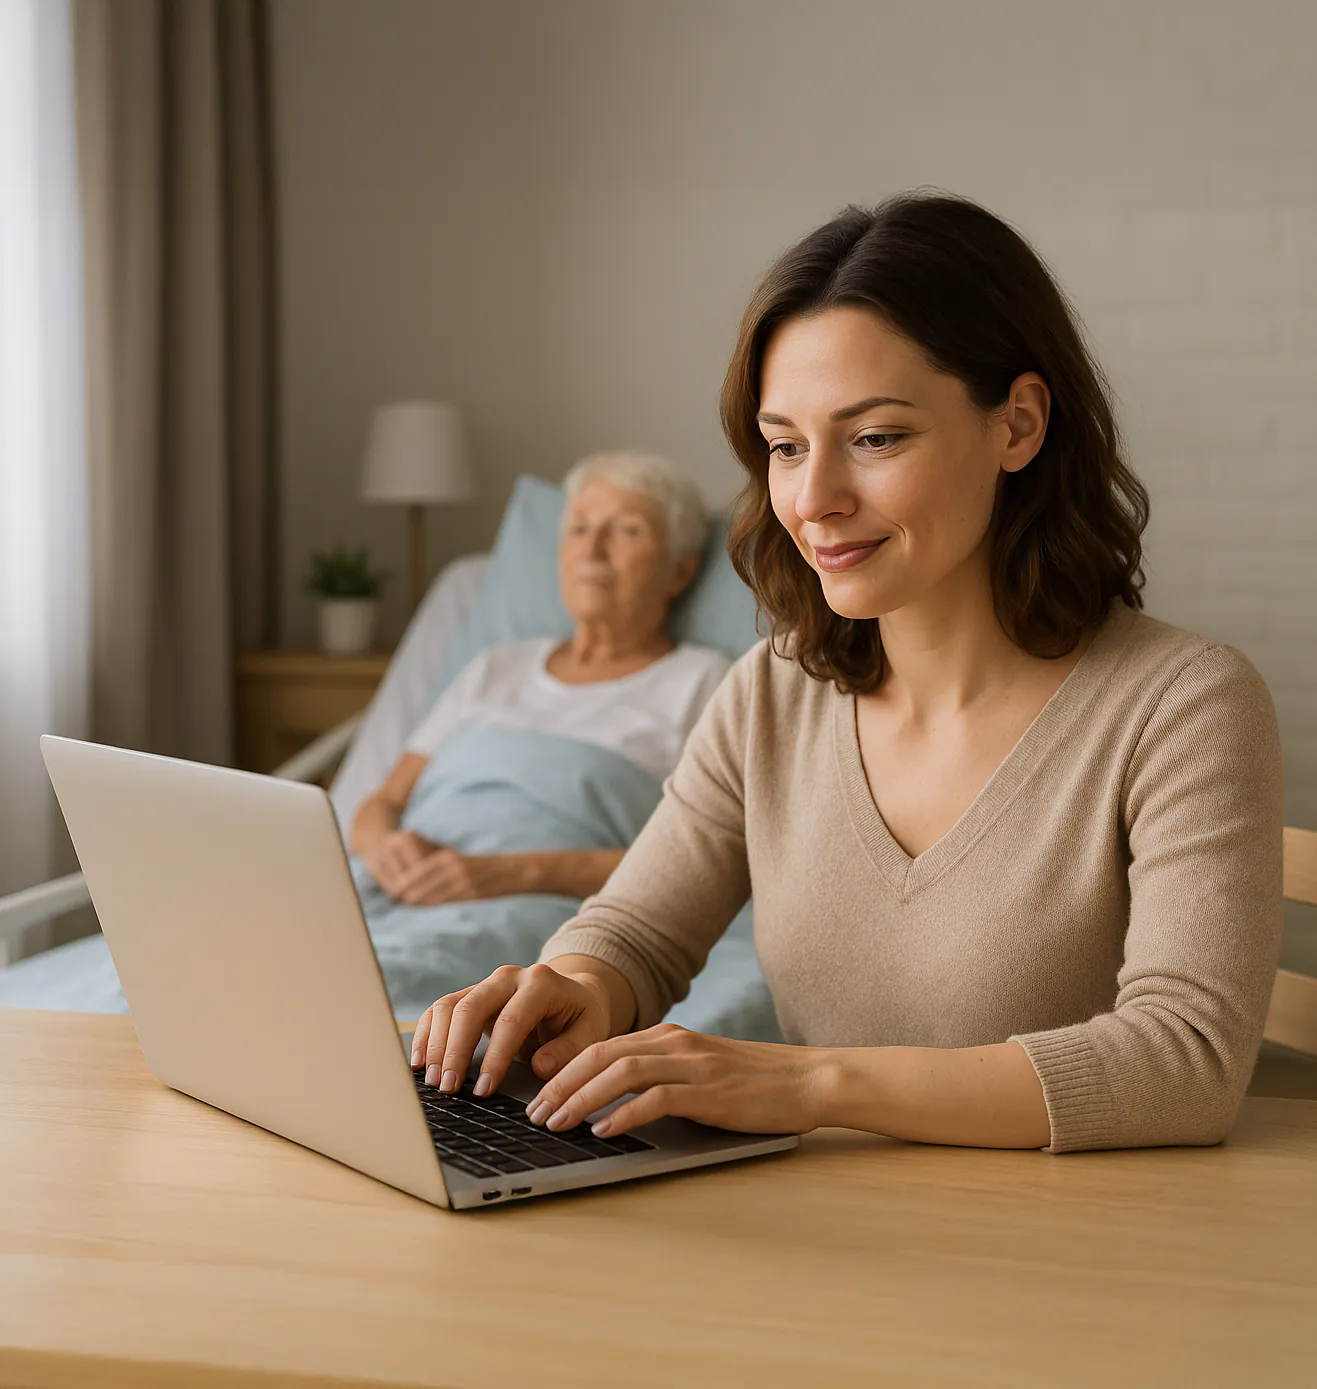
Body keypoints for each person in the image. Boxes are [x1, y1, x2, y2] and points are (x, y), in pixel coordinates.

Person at [408, 192, 1284, 1155]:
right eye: (785, 446)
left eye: (875, 438)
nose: (814, 498)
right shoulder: (773, 692)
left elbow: (1186, 1062)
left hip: (1073, 1266)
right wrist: (571, 984)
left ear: (1019, 426)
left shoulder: (1185, 704)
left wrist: (813, 1081)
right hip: (828, 1247)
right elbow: (639, 929)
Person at [350, 451, 731, 907]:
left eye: (627, 530)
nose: (592, 550)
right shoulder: (497, 665)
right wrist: (384, 850)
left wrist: (515, 873)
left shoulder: (704, 681)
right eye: (579, 529)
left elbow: (705, 858)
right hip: (404, 889)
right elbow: (384, 802)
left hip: (550, 907)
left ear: (680, 571)